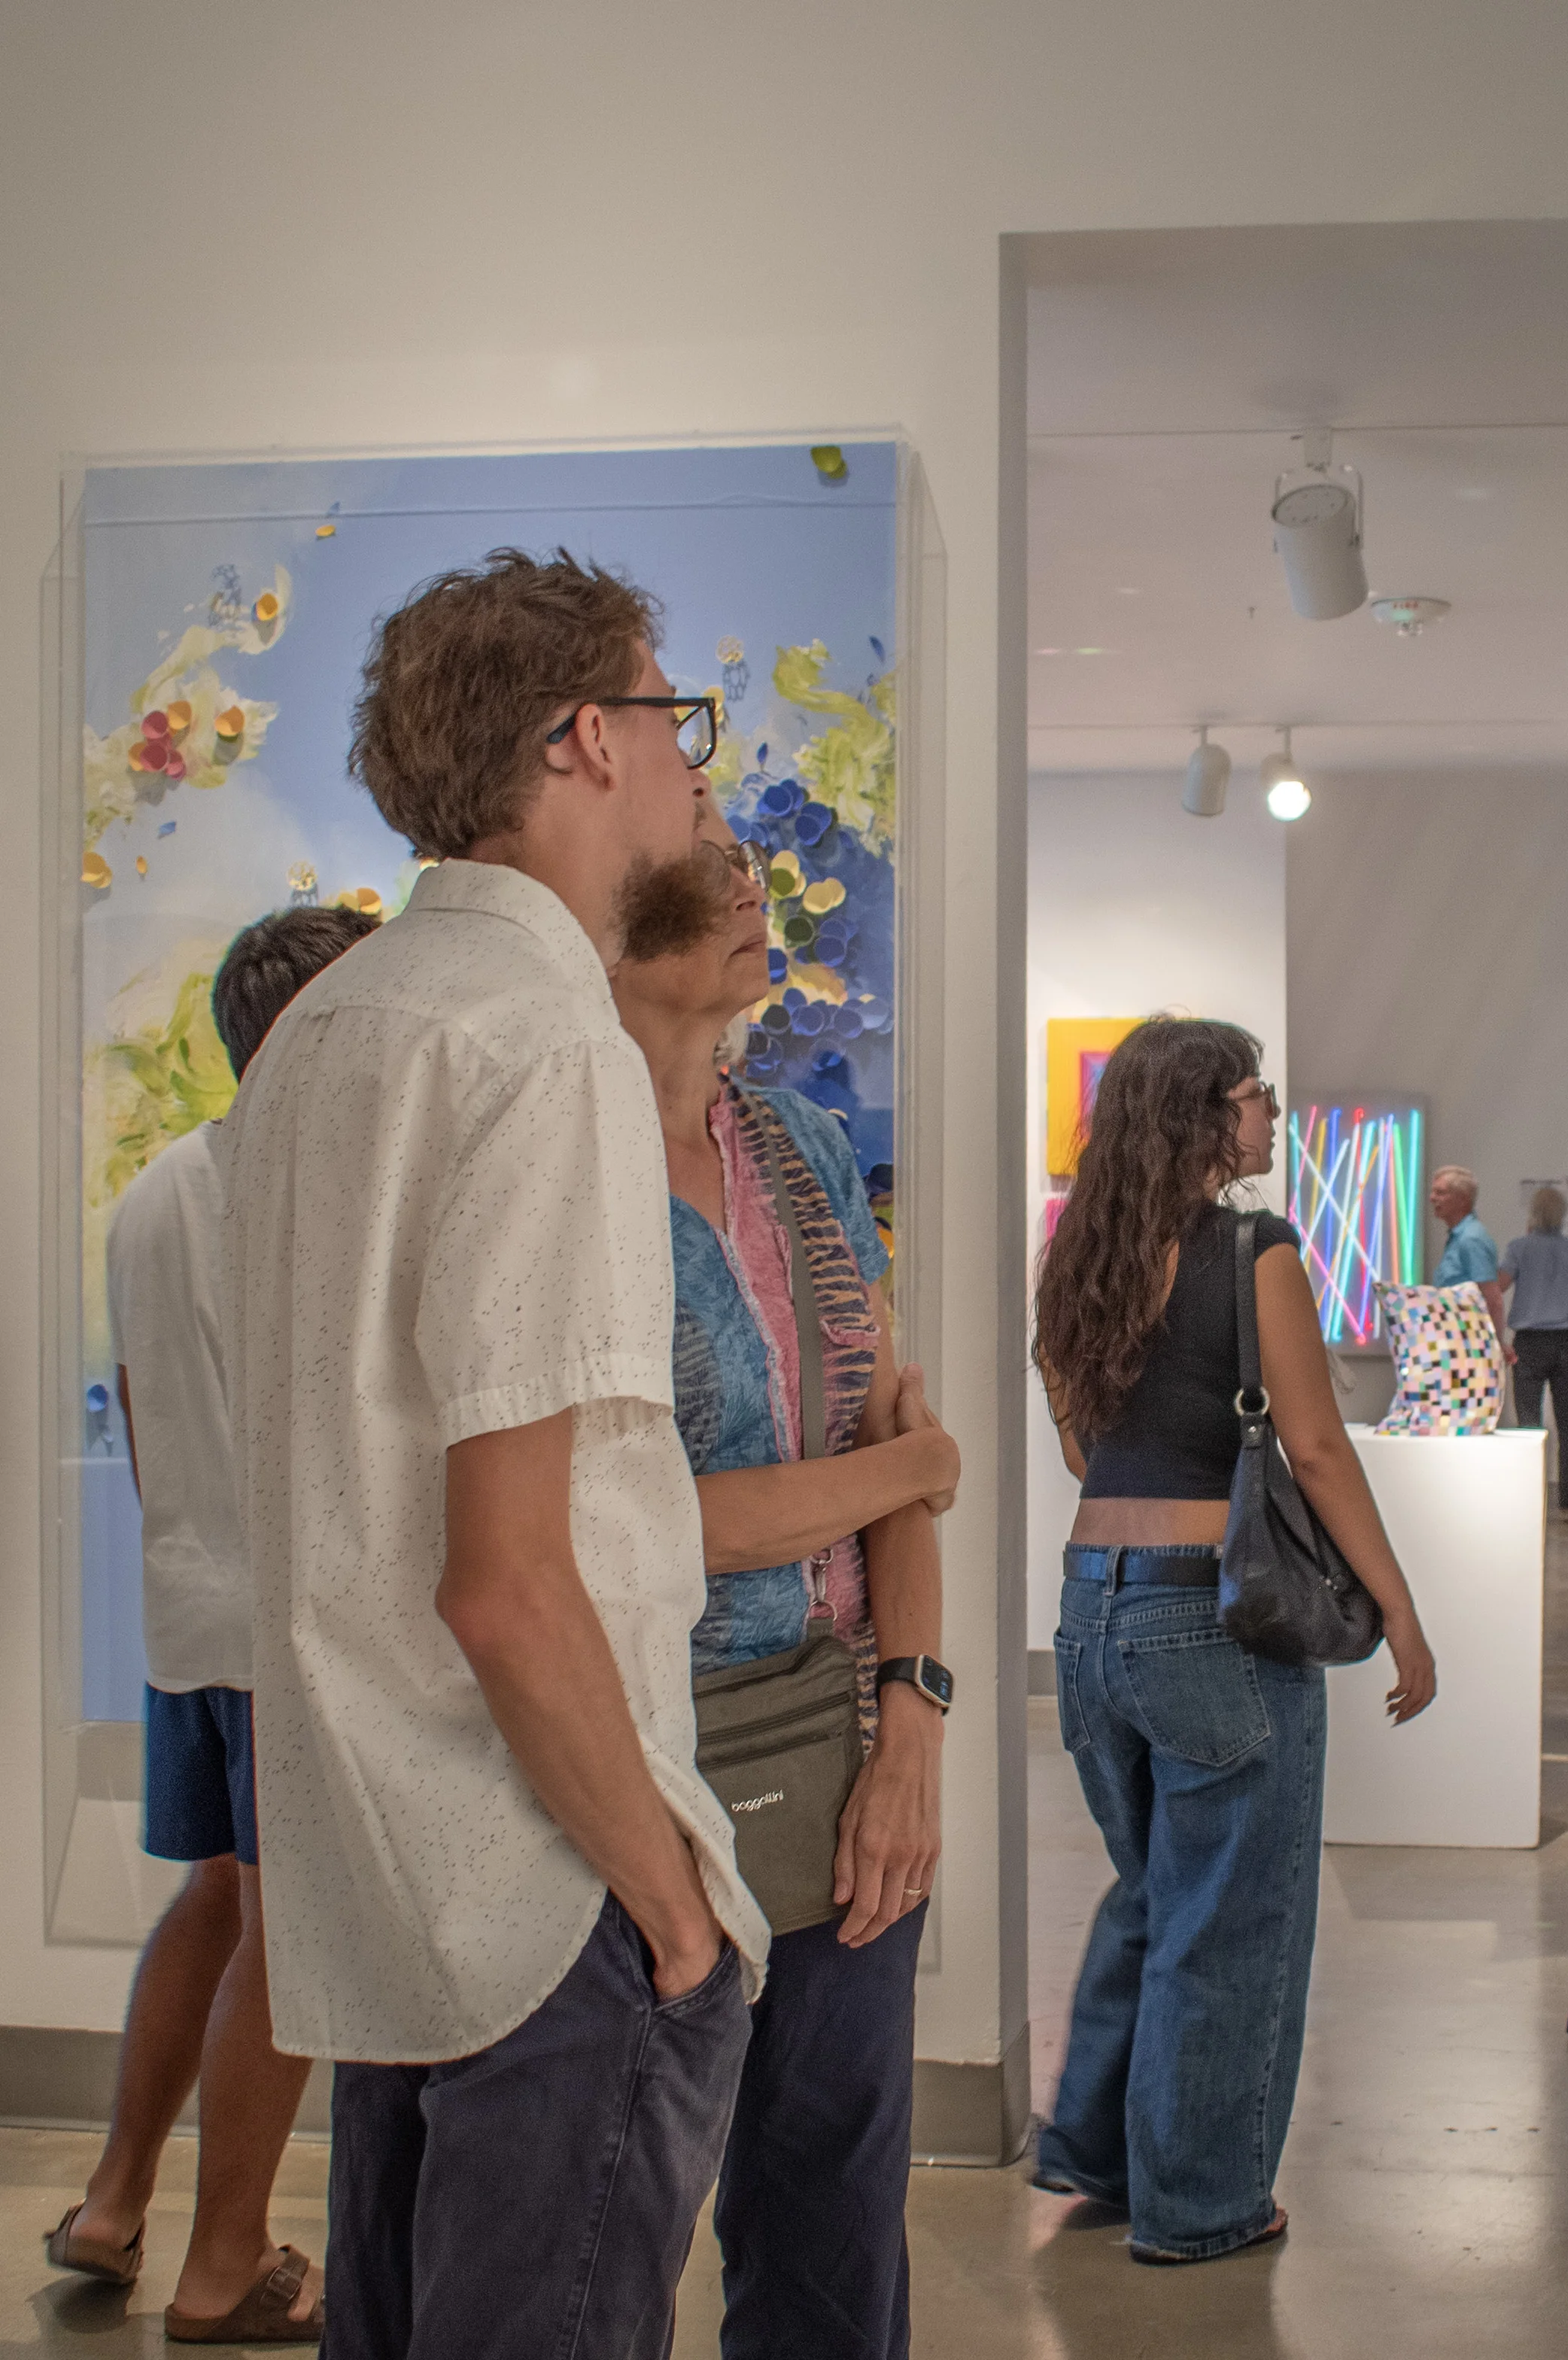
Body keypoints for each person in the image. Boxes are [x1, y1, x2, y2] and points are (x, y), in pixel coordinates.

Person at [223, 549, 769, 2360]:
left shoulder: (326, 1031)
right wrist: (673, 1903)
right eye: (668, 715)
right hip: (542, 1892)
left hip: (389, 1885)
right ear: (577, 741)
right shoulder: (544, 1042)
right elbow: (510, 1575)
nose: (696, 763)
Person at [611, 820, 960, 2360]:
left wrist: (918, 1727)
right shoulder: (566, 1165)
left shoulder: (801, 1149)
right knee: (600, 2231)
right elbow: (657, 1526)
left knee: (830, 2227)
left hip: (840, 1737)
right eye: (706, 875)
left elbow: (884, 1448)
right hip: (627, 1747)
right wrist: (909, 1464)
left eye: (756, 873)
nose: (749, 890)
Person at [1031, 1018, 1439, 2264]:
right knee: (1233, 1919)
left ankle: (1099, 2153)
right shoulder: (1254, 1248)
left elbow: (1077, 1451)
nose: (1268, 1116)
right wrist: (1402, 1612)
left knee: (1158, 1890)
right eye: (1254, 1098)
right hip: (1210, 1613)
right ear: (1207, 1115)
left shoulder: (1076, 1256)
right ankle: (1201, 2203)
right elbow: (1314, 1449)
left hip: (1094, 1605)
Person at [44, 906, 375, 2344]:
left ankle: (116, 2205)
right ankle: (225, 2261)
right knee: (289, 1930)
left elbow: (140, 1409)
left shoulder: (157, 1189)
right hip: (291, 1627)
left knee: (221, 1900)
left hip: (191, 1607)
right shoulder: (309, 1194)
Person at [1500, 1185, 1568, 1522]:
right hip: (1567, 1343)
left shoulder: (1519, 1249)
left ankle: (1530, 1501)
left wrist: (1497, 1336)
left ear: (1533, 1214)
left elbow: (1496, 1290)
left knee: (1529, 1426)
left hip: (1528, 1344)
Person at [1428, 1164, 1505, 1324]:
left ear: (1463, 1200)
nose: (1432, 1198)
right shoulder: (1457, 1237)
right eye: (1433, 1192)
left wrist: (1496, 1343)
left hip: (1468, 1339)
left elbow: (1492, 1299)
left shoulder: (1471, 1239)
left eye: (1440, 1193)